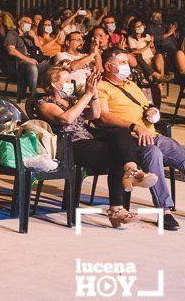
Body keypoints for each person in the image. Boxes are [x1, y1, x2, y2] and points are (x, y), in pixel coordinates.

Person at [37, 66, 156, 227]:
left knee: (121, 132)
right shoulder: (45, 103)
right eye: (65, 81)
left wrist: (94, 94)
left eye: (70, 80)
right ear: (53, 84)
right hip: (69, 146)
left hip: (88, 140)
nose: (69, 84)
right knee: (117, 153)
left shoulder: (72, 100)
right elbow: (66, 119)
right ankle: (116, 209)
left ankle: (131, 170)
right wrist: (86, 94)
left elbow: (95, 114)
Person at [96, 47, 185, 231]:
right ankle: (164, 211)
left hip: (152, 133)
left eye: (126, 62)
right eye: (121, 63)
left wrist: (153, 111)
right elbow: (103, 117)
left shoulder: (130, 84)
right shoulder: (101, 87)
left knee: (181, 153)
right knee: (154, 154)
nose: (126, 66)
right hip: (131, 139)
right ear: (108, 66)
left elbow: (147, 105)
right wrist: (133, 126)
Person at [4, 15, 48, 101]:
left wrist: (34, 37)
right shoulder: (12, 33)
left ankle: (51, 92)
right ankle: (33, 95)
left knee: (51, 64)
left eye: (30, 23)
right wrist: (27, 59)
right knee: (32, 67)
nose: (29, 25)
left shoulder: (29, 36)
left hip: (33, 61)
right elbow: (11, 50)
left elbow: (41, 50)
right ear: (20, 23)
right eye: (26, 22)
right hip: (19, 63)